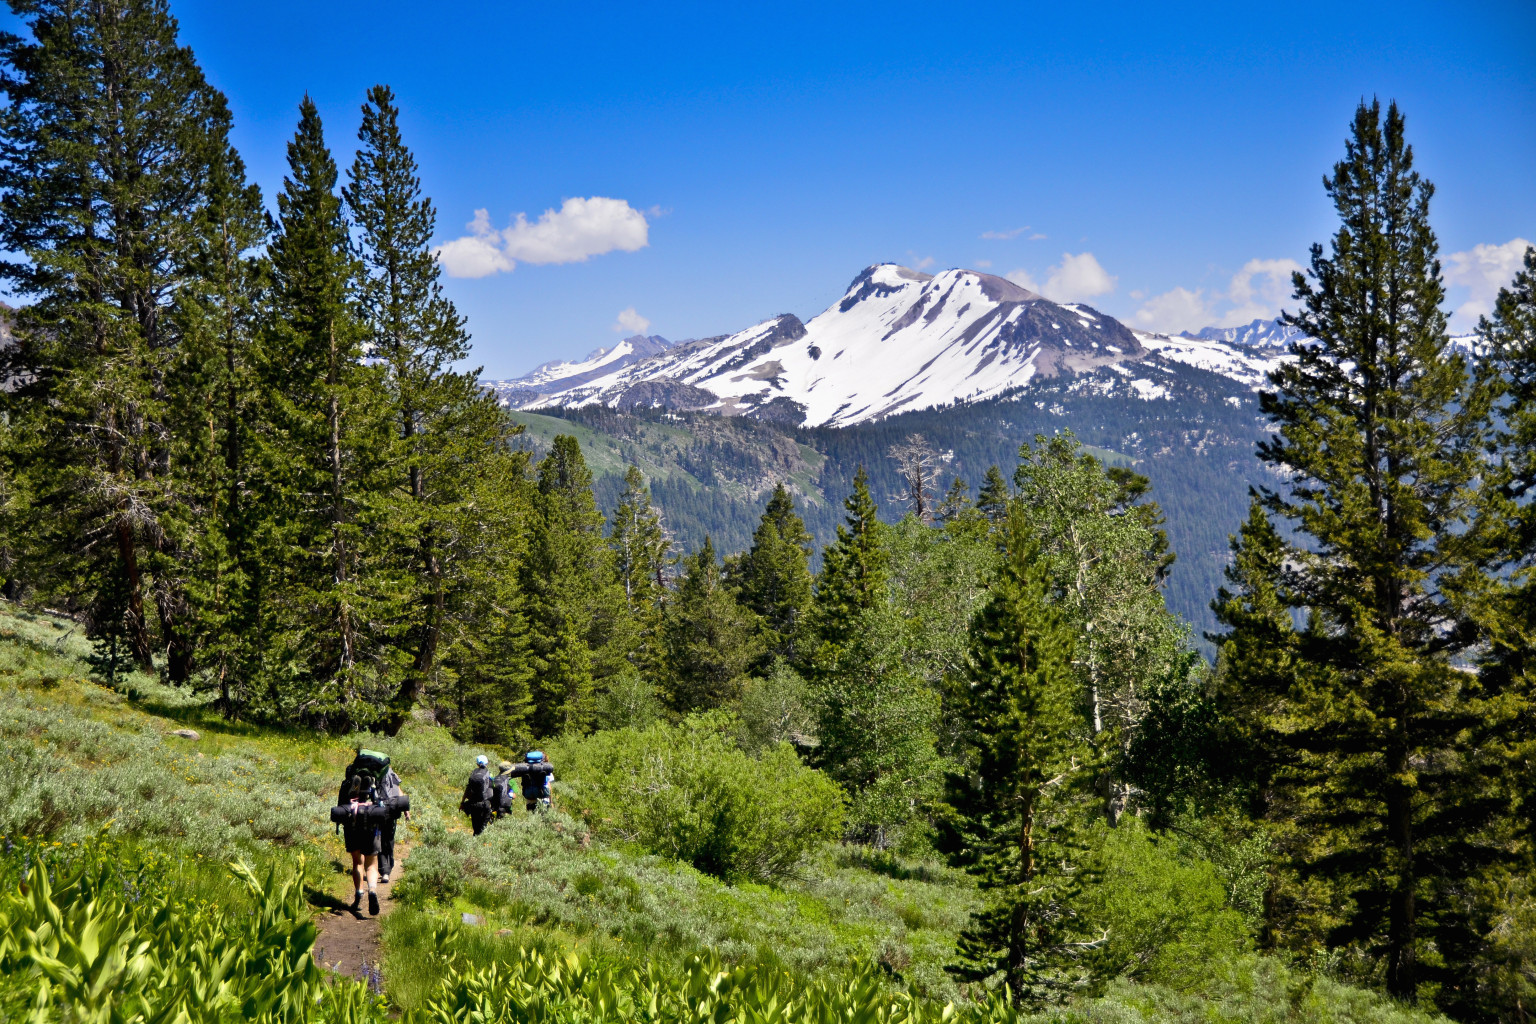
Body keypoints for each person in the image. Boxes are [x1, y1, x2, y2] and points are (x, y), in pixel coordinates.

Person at [338, 772, 383, 915]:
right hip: (370, 827)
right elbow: (382, 805)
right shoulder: (376, 782)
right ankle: (373, 891)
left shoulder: (346, 783)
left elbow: (340, 806)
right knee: (371, 865)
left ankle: (359, 893)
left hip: (352, 827)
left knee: (357, 862)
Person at [378, 764, 408, 883]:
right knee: (388, 840)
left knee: (379, 839)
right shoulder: (392, 774)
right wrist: (406, 810)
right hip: (391, 810)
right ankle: (387, 870)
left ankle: (384, 870)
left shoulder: (373, 775)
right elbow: (399, 791)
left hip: (376, 810)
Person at [460, 754, 494, 835]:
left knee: (476, 827)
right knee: (483, 828)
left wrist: (462, 803)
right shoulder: (489, 774)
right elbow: (493, 789)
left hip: (473, 803)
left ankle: (475, 839)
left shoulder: (474, 773)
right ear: (487, 763)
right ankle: (480, 840)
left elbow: (467, 790)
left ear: (477, 764)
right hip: (485, 803)